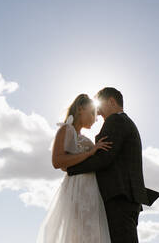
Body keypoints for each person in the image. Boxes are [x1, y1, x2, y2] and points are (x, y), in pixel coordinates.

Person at [66, 87, 159, 243]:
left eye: (100, 106)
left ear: (111, 101)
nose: (98, 112)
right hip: (128, 198)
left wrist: (71, 168)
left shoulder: (115, 120)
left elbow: (104, 158)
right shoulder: (127, 122)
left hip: (118, 196)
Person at [36, 93, 113, 243]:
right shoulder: (66, 130)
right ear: (79, 109)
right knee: (77, 232)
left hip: (92, 189)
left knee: (91, 233)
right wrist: (91, 152)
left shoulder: (86, 139)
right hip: (76, 188)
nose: (95, 118)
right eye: (92, 113)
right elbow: (58, 162)